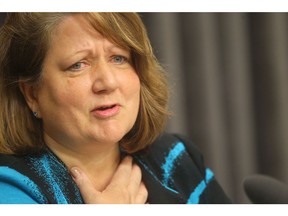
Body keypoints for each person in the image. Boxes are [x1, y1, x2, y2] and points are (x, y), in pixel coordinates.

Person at [0, 12, 231, 204]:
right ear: (31, 93)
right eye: (78, 65)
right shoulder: (13, 190)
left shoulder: (177, 158)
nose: (108, 83)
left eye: (118, 58)